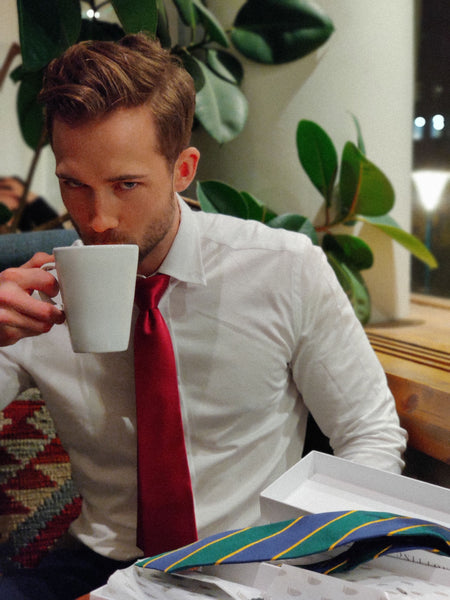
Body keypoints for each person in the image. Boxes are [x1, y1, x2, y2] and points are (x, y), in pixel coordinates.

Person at [0, 34, 407, 599]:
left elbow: (370, 434)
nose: (96, 219)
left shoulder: (283, 270)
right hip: (100, 561)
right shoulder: (32, 294)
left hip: (248, 562)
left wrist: (315, 561)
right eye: (74, 185)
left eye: (126, 185)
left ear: (183, 169)